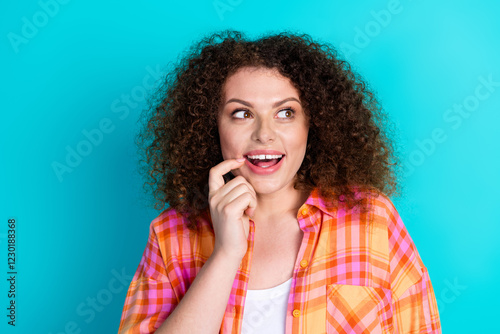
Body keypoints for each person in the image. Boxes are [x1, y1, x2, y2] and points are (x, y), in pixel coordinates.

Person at [118, 31, 441, 333]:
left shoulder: (372, 218)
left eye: (285, 113)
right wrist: (226, 254)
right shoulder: (171, 234)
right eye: (242, 114)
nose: (264, 133)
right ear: (211, 128)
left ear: (313, 125)